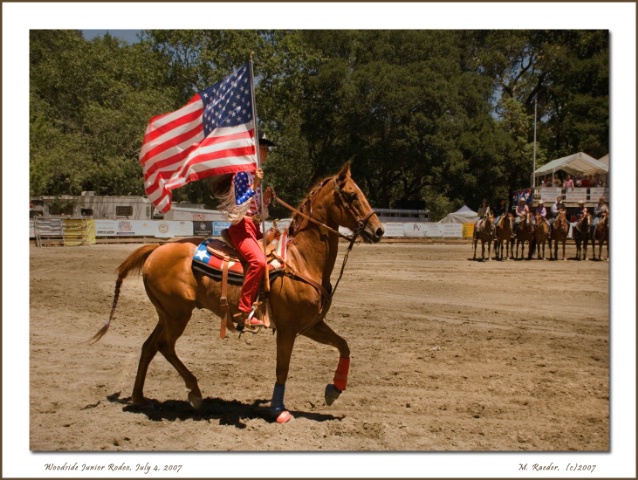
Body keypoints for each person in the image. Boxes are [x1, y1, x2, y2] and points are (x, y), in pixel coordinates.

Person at [217, 133, 276, 329]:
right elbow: (238, 205)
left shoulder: (255, 173)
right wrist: (256, 185)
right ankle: (244, 311)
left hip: (255, 227)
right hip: (241, 228)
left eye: (267, 148)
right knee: (258, 262)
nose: (266, 151)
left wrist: (265, 199)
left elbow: (257, 210)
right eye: (264, 147)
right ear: (253, 149)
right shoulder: (242, 174)